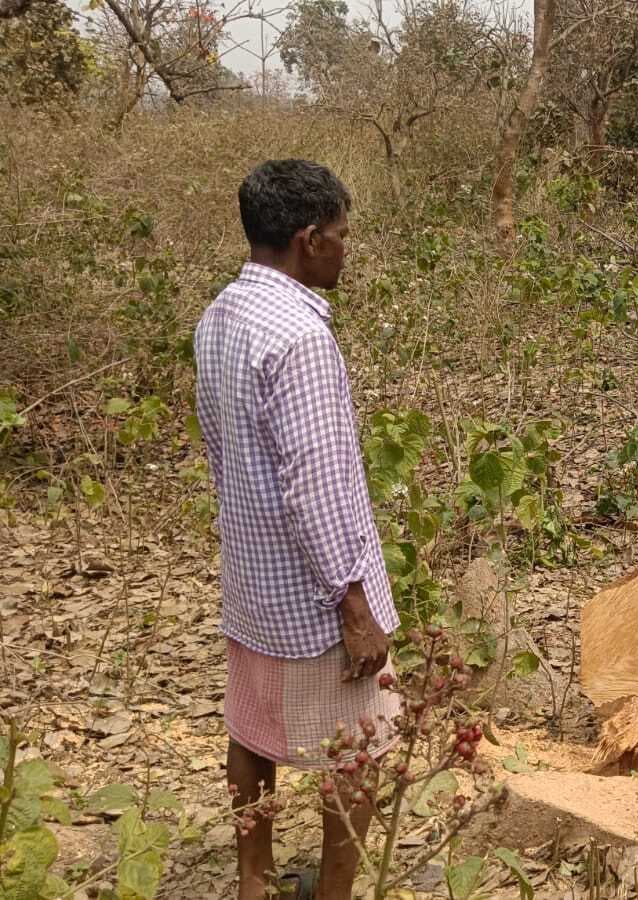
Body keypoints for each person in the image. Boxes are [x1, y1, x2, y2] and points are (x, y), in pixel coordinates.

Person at [195, 159, 400, 900]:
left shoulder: (220, 316)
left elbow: (221, 450)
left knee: (251, 729)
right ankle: (334, 893)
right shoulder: (301, 337)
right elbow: (313, 486)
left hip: (253, 581)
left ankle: (255, 878)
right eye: (343, 236)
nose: (348, 249)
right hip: (316, 597)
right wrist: (353, 603)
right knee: (361, 748)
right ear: (309, 239)